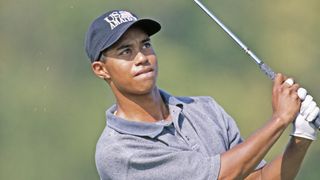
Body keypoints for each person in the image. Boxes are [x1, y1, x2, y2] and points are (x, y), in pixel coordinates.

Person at [84, 9, 319, 180]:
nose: (142, 58)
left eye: (145, 45)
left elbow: (257, 178)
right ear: (101, 69)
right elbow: (219, 177)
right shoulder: (118, 152)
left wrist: (301, 136)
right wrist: (279, 119)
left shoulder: (205, 109)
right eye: (126, 51)